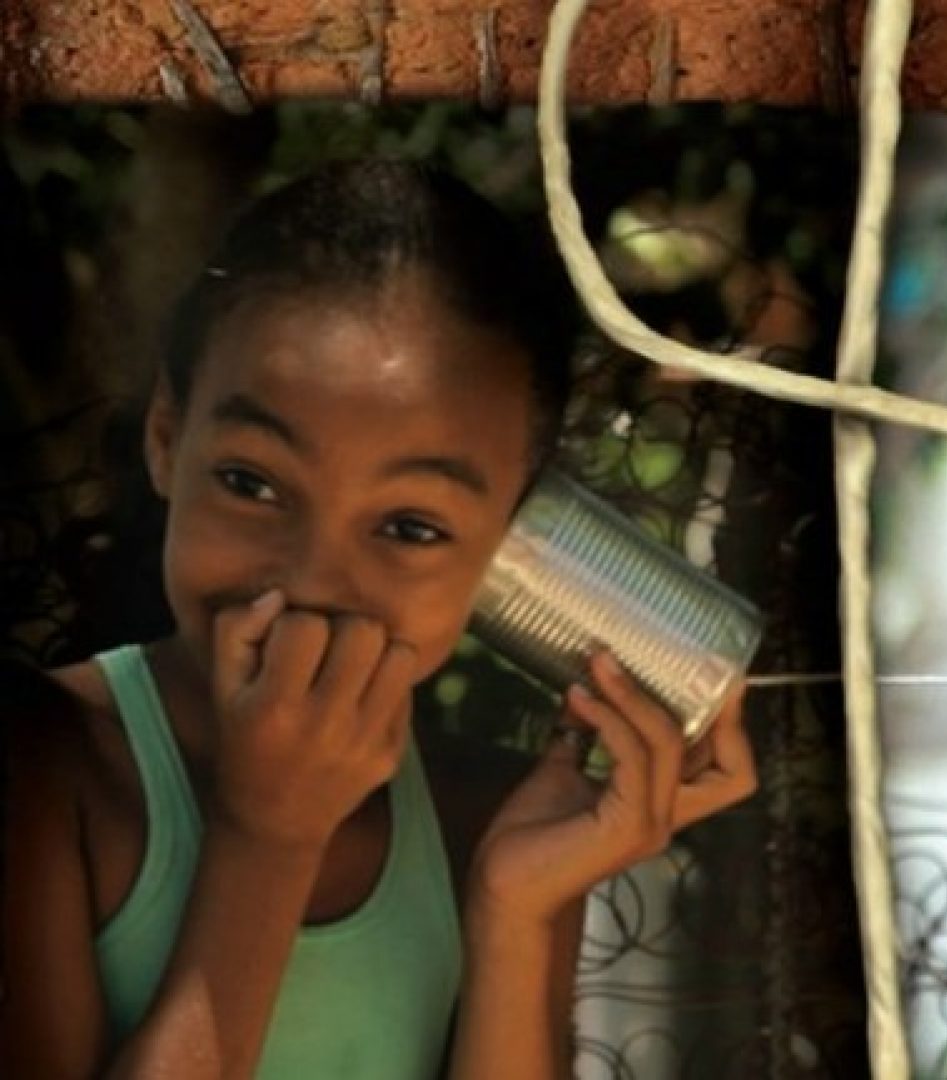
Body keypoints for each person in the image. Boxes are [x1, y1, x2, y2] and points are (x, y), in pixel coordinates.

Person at [0, 160, 758, 1079]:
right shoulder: (42, 765)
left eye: (410, 528)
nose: (312, 581)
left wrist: (514, 917)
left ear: (509, 547)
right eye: (250, 482)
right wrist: (269, 838)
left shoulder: (489, 825)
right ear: (167, 437)